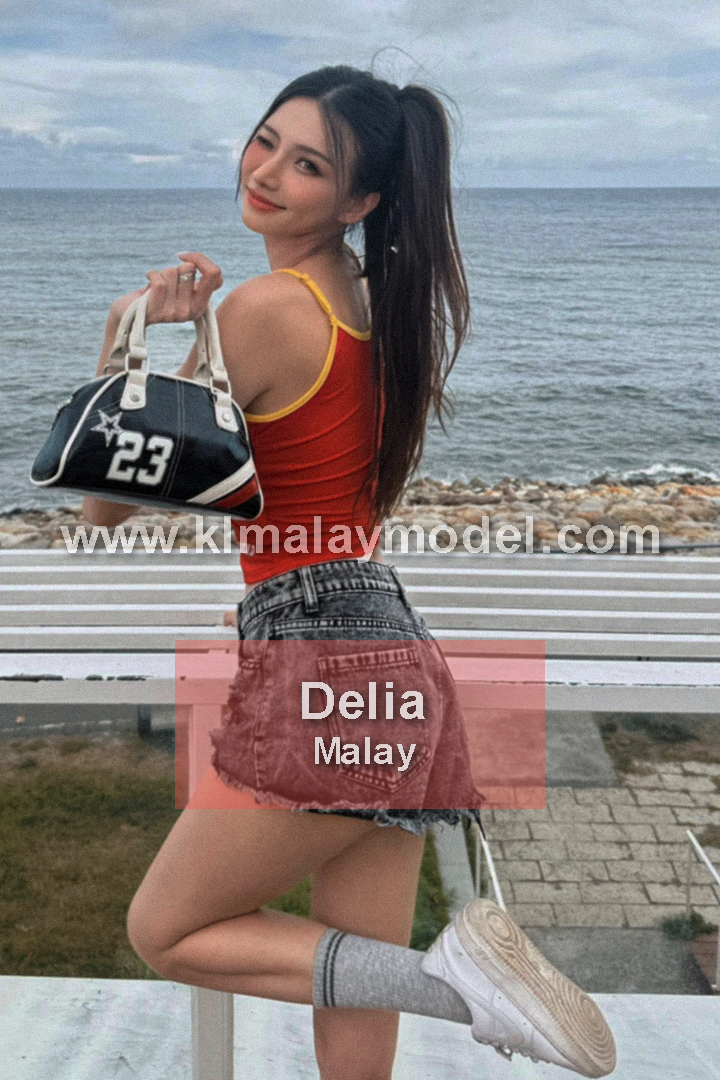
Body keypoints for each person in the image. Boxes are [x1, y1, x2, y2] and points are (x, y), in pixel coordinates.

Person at [84, 66, 616, 1079]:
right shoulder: (377, 307)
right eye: (266, 141)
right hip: (395, 658)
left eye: (308, 165)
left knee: (169, 928)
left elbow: (107, 505)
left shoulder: (265, 311)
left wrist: (128, 332)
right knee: (353, 1015)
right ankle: (464, 978)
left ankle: (460, 984)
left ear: (359, 201)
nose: (266, 173)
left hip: (324, 657)